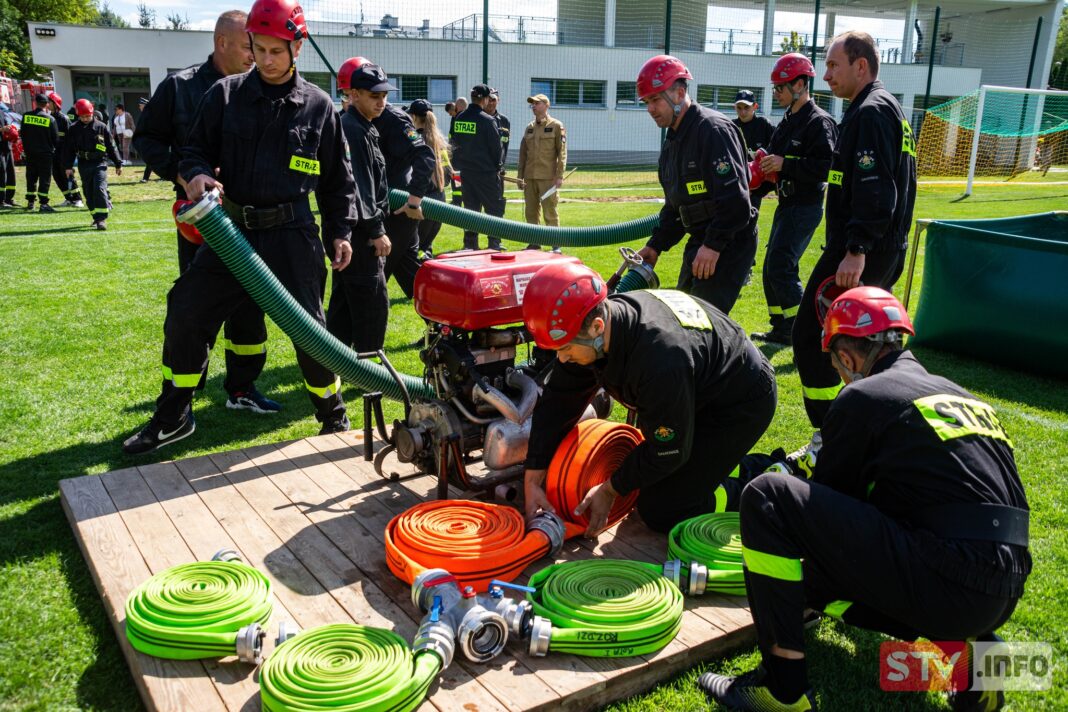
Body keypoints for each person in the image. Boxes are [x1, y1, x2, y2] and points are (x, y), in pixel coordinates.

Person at [700, 287, 1030, 712]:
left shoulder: (864, 396)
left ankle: (782, 691)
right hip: (1005, 582)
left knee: (768, 498)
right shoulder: (959, 394)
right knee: (817, 577)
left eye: (836, 362)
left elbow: (825, 511)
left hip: (949, 574)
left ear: (848, 357)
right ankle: (969, 656)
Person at [122, 0, 356, 454]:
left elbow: (337, 181)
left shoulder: (318, 106)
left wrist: (340, 232)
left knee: (310, 330)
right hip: (233, 235)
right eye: (259, 48)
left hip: (293, 234)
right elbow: (192, 152)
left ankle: (332, 415)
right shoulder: (225, 95)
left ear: (297, 47)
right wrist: (194, 175)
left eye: (276, 51)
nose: (266, 60)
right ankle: (173, 416)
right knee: (186, 311)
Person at [521, 262, 777, 535]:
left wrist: (610, 489)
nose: (562, 358)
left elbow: (669, 449)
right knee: (654, 478)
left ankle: (764, 484)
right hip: (695, 389)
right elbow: (558, 402)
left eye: (566, 348)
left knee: (664, 509)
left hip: (739, 403)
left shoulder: (659, 361)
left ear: (597, 327)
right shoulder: (597, 326)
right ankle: (722, 467)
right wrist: (533, 480)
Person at [133, 10, 278, 416]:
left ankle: (243, 387)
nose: (256, 55)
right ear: (222, 43)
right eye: (249, 45)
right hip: (203, 220)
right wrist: (185, 174)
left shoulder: (260, 90)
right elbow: (147, 139)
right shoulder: (179, 87)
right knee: (194, 307)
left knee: (251, 304)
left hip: (249, 220)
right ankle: (181, 395)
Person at [790, 31, 917, 462]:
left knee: (814, 339)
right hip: (873, 248)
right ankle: (870, 433)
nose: (825, 76)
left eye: (832, 66)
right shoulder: (881, 109)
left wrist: (856, 248)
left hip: (859, 252)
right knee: (863, 346)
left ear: (860, 66)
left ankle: (832, 439)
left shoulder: (872, 112)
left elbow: (877, 190)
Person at [634, 56, 758, 316]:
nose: (650, 109)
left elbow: (736, 202)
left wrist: (713, 246)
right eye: (646, 102)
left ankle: (736, 357)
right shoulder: (673, 142)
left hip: (728, 243)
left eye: (656, 99)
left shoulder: (713, 131)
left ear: (679, 93)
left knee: (703, 323)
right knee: (685, 319)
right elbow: (675, 208)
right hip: (701, 241)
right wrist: (656, 245)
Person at [751, 54, 837, 346]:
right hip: (786, 204)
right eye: (775, 87)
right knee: (770, 267)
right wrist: (762, 166)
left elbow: (826, 167)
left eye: (780, 87)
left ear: (800, 84)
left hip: (805, 206)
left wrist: (783, 163)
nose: (776, 93)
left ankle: (804, 331)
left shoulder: (819, 122)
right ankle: (781, 327)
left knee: (781, 265)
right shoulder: (787, 120)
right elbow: (774, 161)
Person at [327, 58, 392, 354]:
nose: (381, 102)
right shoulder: (354, 129)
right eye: (374, 96)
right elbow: (360, 187)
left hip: (349, 231)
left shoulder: (363, 126)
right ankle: (369, 374)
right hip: (360, 235)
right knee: (372, 306)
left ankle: (333, 365)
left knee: (344, 302)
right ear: (353, 95)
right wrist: (377, 231)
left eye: (384, 96)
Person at [371, 76, 436, 299]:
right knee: (413, 278)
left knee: (373, 278)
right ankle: (442, 329)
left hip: (396, 211)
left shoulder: (395, 120)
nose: (379, 102)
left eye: (383, 96)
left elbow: (425, 157)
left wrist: (414, 200)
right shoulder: (355, 119)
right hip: (387, 209)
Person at [450, 84, 505, 250]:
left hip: (466, 173)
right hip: (486, 173)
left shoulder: (459, 118)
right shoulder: (488, 121)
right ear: (485, 99)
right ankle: (494, 244)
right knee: (493, 210)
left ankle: (470, 244)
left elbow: (454, 144)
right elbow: (497, 149)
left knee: (470, 210)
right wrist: (497, 167)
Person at [516, 93, 566, 251]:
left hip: (547, 178)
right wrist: (520, 176)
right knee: (531, 212)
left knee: (550, 212)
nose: (533, 106)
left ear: (546, 105)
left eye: (537, 103)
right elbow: (523, 154)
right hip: (530, 177)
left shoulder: (556, 126)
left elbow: (562, 153)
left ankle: (555, 244)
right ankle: (534, 243)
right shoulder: (529, 128)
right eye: (532, 104)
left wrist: (559, 176)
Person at [63, 99, 123, 229]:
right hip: (84, 164)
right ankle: (95, 216)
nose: (85, 119)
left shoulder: (101, 127)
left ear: (92, 113)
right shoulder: (73, 129)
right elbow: (69, 149)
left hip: (99, 162)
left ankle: (101, 219)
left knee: (99, 188)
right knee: (88, 191)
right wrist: (68, 166)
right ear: (79, 115)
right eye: (83, 116)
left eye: (88, 116)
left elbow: (111, 146)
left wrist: (118, 163)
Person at [407, 99, 448, 258]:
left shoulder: (413, 138)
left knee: (412, 248)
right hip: (440, 198)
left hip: (422, 199)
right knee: (426, 248)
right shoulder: (440, 141)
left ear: (413, 116)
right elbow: (447, 171)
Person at [19, 93, 59, 213]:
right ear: (47, 104)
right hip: (45, 154)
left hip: (30, 153)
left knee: (31, 177)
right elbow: (55, 139)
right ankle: (43, 204)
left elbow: (23, 135)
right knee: (44, 178)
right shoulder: (50, 119)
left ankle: (30, 202)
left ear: (35, 103)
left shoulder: (26, 116)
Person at [46, 92, 82, 207]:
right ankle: (68, 198)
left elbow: (71, 137)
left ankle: (77, 199)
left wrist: (71, 154)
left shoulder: (64, 119)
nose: (47, 104)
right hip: (54, 153)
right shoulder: (49, 118)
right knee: (57, 176)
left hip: (64, 153)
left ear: (55, 104)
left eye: (49, 102)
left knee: (68, 175)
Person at [0, 123, 16, 208]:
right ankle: (0, 201)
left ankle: (8, 199)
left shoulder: (2, 112)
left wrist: (12, 129)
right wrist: (2, 129)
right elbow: (2, 129)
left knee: (10, 174)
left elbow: (6, 126)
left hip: (7, 147)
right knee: (1, 174)